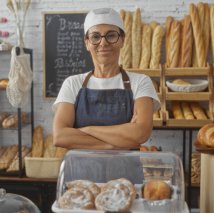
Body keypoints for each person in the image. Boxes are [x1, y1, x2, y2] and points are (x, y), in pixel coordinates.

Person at [52, 8, 160, 183]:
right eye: (95, 37)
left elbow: (140, 134)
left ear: (122, 40)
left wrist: (86, 131)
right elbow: (60, 136)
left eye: (111, 35)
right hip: (80, 183)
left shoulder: (140, 82)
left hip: (127, 182)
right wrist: (117, 142)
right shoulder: (72, 83)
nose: (103, 43)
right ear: (87, 42)